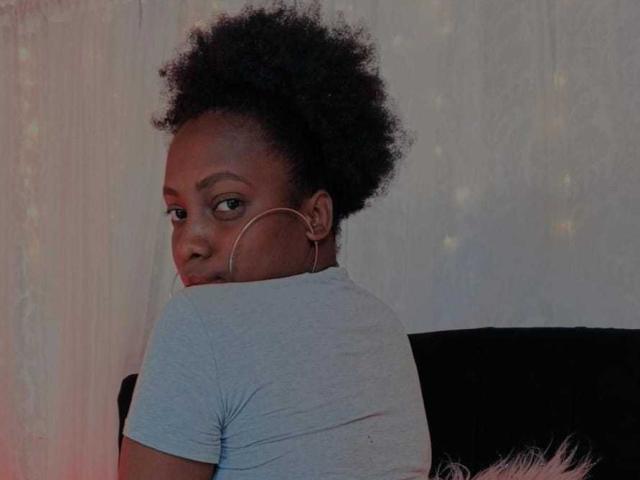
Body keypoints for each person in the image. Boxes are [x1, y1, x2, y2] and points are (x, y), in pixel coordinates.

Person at [118, 1, 431, 479]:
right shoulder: (382, 325)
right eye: (178, 213)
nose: (188, 245)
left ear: (315, 217)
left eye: (228, 204)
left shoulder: (198, 324)